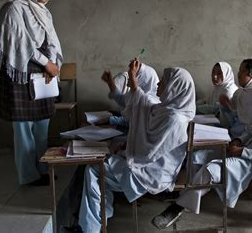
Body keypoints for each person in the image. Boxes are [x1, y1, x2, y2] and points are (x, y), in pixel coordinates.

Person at [152, 76, 252, 230]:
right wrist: (239, 141)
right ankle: (188, 196)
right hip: (246, 151)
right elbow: (251, 131)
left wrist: (243, 152)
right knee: (197, 156)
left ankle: (177, 208)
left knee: (212, 169)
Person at [78, 60, 195, 233]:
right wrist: (129, 145)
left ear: (174, 87)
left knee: (94, 171)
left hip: (153, 172)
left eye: (163, 81)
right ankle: (99, 218)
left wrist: (133, 76)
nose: (158, 83)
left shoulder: (174, 119)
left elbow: (149, 151)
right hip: (149, 165)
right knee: (98, 167)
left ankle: (91, 227)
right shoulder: (166, 110)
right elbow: (142, 110)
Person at [0, 0, 63, 186]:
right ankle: (28, 176)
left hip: (43, 73)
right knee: (24, 130)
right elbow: (20, 43)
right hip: (21, 73)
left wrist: (51, 65)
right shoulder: (14, 8)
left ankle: (44, 169)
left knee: (42, 127)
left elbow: (52, 42)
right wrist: (47, 63)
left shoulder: (45, 12)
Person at [219, 59, 252, 138]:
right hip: (235, 133)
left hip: (246, 139)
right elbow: (234, 114)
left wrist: (240, 140)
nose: (239, 74)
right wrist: (226, 104)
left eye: (244, 71)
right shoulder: (240, 92)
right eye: (239, 70)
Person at [101, 62, 159, 126]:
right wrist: (110, 82)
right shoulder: (137, 96)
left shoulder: (151, 102)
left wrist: (113, 120)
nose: (130, 78)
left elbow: (136, 121)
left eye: (134, 75)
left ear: (143, 80)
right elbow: (122, 99)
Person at [196, 62, 238, 127]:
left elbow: (215, 108)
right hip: (217, 121)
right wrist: (194, 104)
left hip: (228, 127)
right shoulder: (219, 87)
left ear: (226, 74)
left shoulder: (229, 90)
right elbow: (207, 100)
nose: (214, 76)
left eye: (219, 74)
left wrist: (194, 108)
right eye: (213, 73)